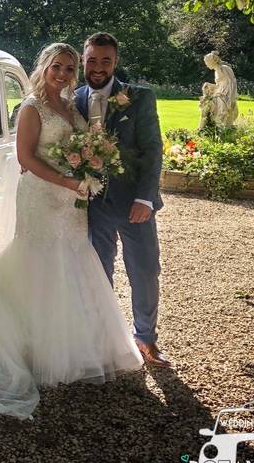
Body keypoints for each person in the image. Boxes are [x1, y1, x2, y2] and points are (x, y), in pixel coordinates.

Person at [0, 42, 143, 420]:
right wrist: (66, 181)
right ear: (44, 67)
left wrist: (86, 172)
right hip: (43, 196)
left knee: (74, 259)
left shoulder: (70, 107)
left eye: (70, 69)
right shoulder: (32, 107)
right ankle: (36, 349)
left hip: (72, 201)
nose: (63, 74)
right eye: (57, 67)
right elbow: (25, 157)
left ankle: (76, 345)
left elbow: (81, 147)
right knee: (39, 260)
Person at [74, 32, 170, 368]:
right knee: (99, 272)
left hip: (134, 205)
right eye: (92, 60)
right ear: (83, 60)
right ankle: (107, 339)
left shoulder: (138, 97)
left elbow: (152, 149)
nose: (98, 67)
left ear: (115, 62)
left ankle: (146, 339)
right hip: (93, 206)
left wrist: (146, 198)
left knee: (144, 270)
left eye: (106, 61)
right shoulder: (73, 100)